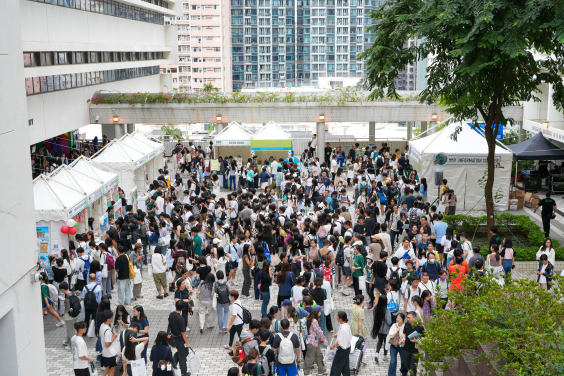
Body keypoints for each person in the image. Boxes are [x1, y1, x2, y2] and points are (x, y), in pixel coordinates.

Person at [168, 300, 192, 376]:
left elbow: (169, 325)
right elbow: (183, 332)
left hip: (173, 338)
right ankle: (183, 373)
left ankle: (171, 366)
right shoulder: (181, 319)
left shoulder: (171, 314)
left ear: (175, 306)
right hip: (180, 340)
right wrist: (187, 343)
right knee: (183, 355)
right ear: (183, 308)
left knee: (180, 354)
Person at [303, 305, 328, 376]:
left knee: (319, 355)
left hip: (314, 342)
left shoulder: (311, 319)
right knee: (310, 358)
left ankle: (322, 370)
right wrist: (324, 340)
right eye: (320, 311)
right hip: (311, 342)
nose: (321, 313)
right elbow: (319, 331)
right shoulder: (314, 321)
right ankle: (306, 372)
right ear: (317, 312)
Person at [329, 311, 352, 376]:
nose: (336, 317)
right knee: (345, 365)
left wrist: (333, 345)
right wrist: (338, 334)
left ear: (341, 318)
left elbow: (340, 341)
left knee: (336, 365)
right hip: (347, 347)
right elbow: (345, 335)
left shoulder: (343, 328)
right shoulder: (346, 325)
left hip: (342, 349)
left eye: (337, 316)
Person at [371, 295, 392, 364]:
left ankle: (377, 353)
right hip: (386, 330)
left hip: (378, 328)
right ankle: (385, 355)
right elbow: (389, 322)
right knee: (386, 342)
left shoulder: (375, 309)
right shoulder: (387, 311)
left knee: (380, 341)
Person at [402, 311, 424, 376]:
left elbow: (425, 338)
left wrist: (416, 341)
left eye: (409, 318)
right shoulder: (406, 324)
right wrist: (403, 338)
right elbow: (404, 333)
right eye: (407, 318)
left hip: (415, 350)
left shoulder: (420, 327)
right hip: (407, 349)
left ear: (414, 318)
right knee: (407, 365)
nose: (407, 319)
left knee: (413, 368)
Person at [100, 311, 119, 376]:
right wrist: (114, 337)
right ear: (108, 319)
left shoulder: (102, 325)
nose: (112, 318)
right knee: (113, 368)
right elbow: (107, 344)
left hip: (105, 352)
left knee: (109, 366)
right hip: (109, 353)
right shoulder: (107, 331)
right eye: (111, 317)